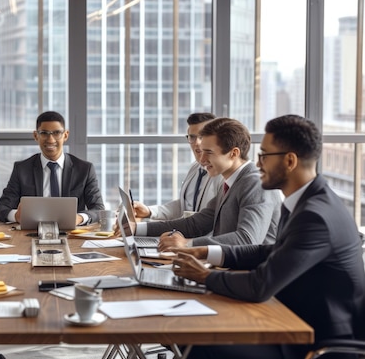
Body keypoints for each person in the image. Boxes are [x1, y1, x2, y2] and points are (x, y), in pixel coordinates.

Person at [170, 114, 365, 359]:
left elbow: (260, 285)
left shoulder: (316, 216)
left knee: (199, 344)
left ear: (290, 161)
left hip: (314, 342)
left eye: (264, 155)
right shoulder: (304, 200)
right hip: (287, 320)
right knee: (196, 327)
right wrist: (207, 252)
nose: (257, 163)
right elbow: (272, 251)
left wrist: (204, 275)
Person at [129, 117, 282, 249]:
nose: (202, 160)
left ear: (234, 153)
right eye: (201, 152)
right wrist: (137, 229)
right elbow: (197, 223)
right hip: (227, 267)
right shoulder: (231, 182)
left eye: (208, 152)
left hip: (250, 276)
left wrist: (187, 244)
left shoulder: (256, 183)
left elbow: (247, 240)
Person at [0, 111, 105, 225]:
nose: (50, 139)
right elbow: (0, 209)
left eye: (56, 133)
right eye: (44, 133)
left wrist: (79, 218)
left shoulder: (84, 169)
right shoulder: (22, 169)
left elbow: (98, 209)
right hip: (32, 234)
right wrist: (16, 216)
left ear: (65, 135)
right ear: (36, 136)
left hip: (71, 235)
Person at [133, 112, 223, 220]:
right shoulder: (195, 168)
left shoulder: (222, 175)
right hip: (186, 233)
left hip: (203, 236)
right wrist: (149, 211)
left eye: (202, 136)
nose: (197, 143)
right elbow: (183, 206)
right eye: (192, 137)